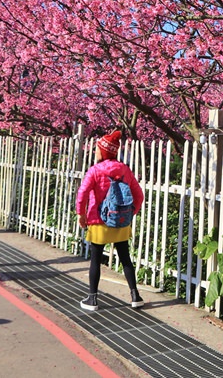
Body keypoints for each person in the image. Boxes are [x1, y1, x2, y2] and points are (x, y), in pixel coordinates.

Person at [75, 130, 145, 311]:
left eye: (97, 149)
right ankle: (135, 295)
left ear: (103, 151)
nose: (95, 151)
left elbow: (82, 193)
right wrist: (131, 213)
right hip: (121, 221)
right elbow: (139, 195)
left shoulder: (95, 171)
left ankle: (92, 299)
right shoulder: (125, 169)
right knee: (125, 258)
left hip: (99, 221)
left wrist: (81, 214)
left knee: (95, 260)